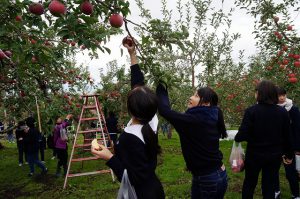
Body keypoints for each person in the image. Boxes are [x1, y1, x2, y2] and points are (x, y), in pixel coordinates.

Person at [91, 37, 165, 199]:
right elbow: (138, 84)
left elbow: (131, 177)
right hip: (154, 188)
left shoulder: (128, 138)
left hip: (141, 194)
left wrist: (109, 157)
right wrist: (133, 54)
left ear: (130, 108)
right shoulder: (151, 120)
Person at [156, 82, 228, 198]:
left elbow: (164, 111)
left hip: (208, 179)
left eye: (196, 96)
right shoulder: (211, 115)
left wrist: (161, 88)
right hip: (215, 173)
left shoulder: (193, 120)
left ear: (206, 103)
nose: (191, 97)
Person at [234, 80, 293, 199]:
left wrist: (241, 136)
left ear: (260, 93)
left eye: (256, 92)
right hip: (274, 155)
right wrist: (289, 155)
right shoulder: (282, 112)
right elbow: (287, 136)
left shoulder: (251, 111)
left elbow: (242, 135)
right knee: (269, 186)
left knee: (249, 183)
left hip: (254, 155)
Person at [274, 87, 300, 199]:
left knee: (291, 173)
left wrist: (298, 147)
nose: (282, 97)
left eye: (283, 95)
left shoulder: (293, 109)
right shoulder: (272, 108)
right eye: (279, 95)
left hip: (289, 146)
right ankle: (276, 191)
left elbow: (298, 129)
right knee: (273, 171)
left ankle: (296, 194)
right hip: (275, 145)